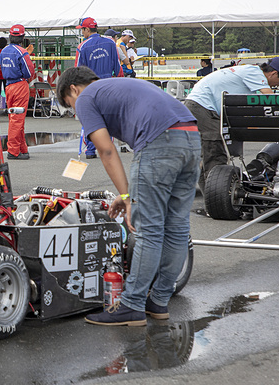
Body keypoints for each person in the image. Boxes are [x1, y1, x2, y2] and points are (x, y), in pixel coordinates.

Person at [56, 66, 201, 326]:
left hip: (159, 140)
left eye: (70, 104)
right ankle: (158, 301)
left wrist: (126, 195)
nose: (76, 111)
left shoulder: (86, 98)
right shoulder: (117, 85)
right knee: (177, 228)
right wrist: (129, 194)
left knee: (149, 230)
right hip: (191, 136)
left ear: (73, 89)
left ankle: (132, 305)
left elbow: (106, 150)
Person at [184, 58, 279, 187]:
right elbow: (271, 99)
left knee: (209, 156)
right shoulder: (255, 73)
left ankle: (212, 200)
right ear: (273, 73)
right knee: (215, 152)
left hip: (199, 106)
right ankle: (217, 198)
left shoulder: (249, 73)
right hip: (202, 106)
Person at [75, 17, 122, 158]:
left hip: (90, 87)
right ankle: (107, 148)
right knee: (107, 117)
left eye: (82, 30)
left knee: (90, 117)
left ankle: (90, 150)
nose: (82, 33)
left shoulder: (82, 46)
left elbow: (78, 71)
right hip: (108, 85)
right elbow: (118, 68)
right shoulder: (110, 43)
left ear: (87, 29)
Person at [0, 24, 35, 160]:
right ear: (22, 37)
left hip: (8, 86)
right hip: (20, 85)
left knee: (15, 118)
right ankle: (13, 151)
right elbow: (29, 71)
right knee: (17, 120)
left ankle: (22, 149)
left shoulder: (3, 51)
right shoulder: (22, 52)